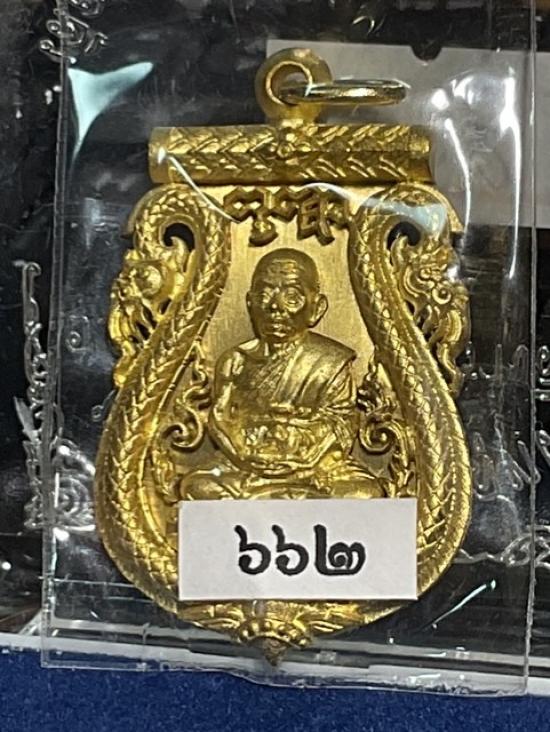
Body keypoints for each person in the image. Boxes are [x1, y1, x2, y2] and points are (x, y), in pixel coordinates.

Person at [180, 248, 383, 500]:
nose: (275, 307)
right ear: (250, 303)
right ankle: (283, 500)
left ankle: (271, 499)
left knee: (364, 494)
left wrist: (303, 457)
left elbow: (341, 424)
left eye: (292, 297)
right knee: (198, 486)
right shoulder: (235, 360)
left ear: (316, 308)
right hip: (246, 462)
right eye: (264, 295)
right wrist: (243, 455)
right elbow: (220, 418)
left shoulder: (330, 360)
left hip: (315, 464)